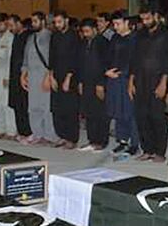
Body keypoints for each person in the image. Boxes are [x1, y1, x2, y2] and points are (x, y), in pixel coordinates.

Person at [129, 5, 168, 163]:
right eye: (142, 19)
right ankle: (147, 149)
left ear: (156, 16)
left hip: (158, 80)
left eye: (148, 18)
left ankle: (159, 151)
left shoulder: (167, 34)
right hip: (140, 80)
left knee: (157, 117)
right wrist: (131, 81)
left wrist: (164, 83)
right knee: (141, 116)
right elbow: (134, 59)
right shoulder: (140, 34)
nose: (145, 21)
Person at [21, 12, 58, 145]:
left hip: (45, 76)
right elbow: (25, 58)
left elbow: (53, 60)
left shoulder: (50, 37)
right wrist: (23, 75)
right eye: (32, 21)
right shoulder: (31, 37)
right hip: (32, 77)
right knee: (33, 107)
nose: (33, 24)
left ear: (43, 22)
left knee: (46, 107)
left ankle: (49, 135)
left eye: (35, 21)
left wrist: (49, 76)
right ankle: (37, 133)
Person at [106, 10, 139, 155]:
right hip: (114, 79)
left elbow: (136, 62)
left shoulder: (135, 39)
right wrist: (106, 71)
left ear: (127, 23)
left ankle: (135, 143)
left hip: (128, 80)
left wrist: (125, 74)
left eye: (118, 24)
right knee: (118, 111)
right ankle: (122, 140)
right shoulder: (114, 38)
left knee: (130, 112)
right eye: (114, 24)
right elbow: (107, 58)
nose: (115, 27)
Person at [47, 11, 80, 149]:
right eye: (55, 22)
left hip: (69, 77)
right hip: (56, 76)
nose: (57, 25)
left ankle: (71, 138)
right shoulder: (54, 36)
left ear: (66, 20)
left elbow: (75, 58)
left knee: (69, 109)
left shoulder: (74, 36)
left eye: (60, 22)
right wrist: (51, 76)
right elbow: (51, 57)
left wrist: (68, 78)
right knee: (57, 108)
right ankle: (62, 135)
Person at [78, 18, 110, 151]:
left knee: (100, 113)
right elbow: (79, 64)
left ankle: (101, 141)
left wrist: (101, 84)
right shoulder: (84, 43)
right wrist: (80, 82)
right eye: (83, 31)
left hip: (98, 83)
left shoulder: (103, 43)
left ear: (95, 29)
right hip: (86, 83)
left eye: (88, 31)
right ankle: (92, 140)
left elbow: (106, 64)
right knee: (89, 112)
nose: (85, 34)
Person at [8, 15, 32, 140]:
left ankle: (28, 132)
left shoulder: (28, 36)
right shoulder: (16, 37)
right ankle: (21, 131)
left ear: (19, 23)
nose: (10, 28)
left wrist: (26, 74)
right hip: (14, 75)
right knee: (17, 104)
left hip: (25, 75)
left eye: (12, 25)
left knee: (25, 104)